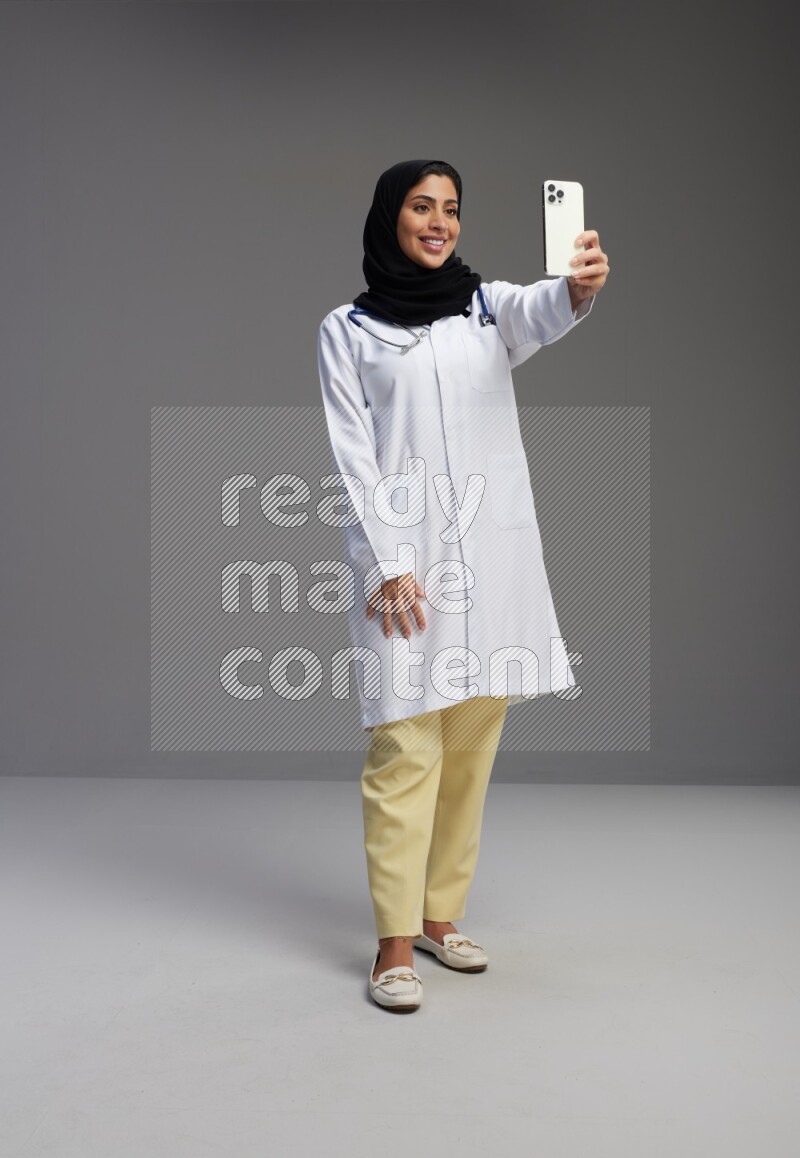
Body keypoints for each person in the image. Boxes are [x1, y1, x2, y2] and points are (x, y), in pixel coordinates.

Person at [317, 159, 609, 1011]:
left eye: (450, 209)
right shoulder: (348, 329)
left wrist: (579, 287)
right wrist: (389, 562)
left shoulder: (487, 308)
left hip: (492, 558)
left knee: (473, 743)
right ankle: (393, 945)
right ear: (390, 216)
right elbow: (351, 453)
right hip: (402, 565)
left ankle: (442, 918)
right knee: (405, 746)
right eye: (421, 206)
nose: (438, 222)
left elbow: (544, 309)